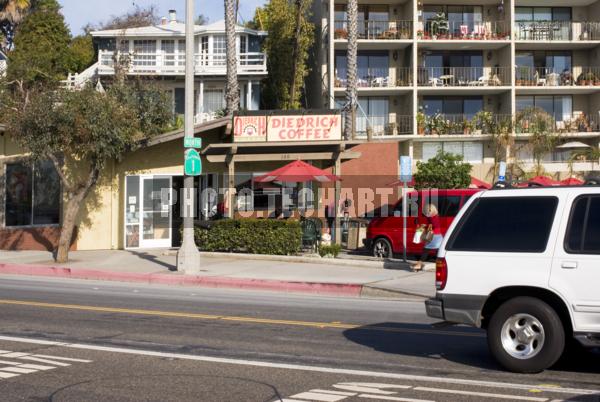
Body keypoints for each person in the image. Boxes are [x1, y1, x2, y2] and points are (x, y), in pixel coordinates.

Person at [412, 204, 442, 272]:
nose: (426, 214)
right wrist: (425, 226)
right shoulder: (434, 217)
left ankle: (418, 266)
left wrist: (425, 226)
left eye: (427, 212)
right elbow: (432, 226)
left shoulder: (432, 217)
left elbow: (433, 226)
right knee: (438, 252)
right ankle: (440, 267)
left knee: (426, 251)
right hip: (437, 236)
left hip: (433, 236)